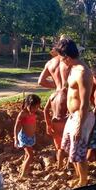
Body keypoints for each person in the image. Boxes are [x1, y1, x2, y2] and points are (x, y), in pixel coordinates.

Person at [57, 39, 95, 187]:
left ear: (67, 56)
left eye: (61, 57)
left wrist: (79, 125)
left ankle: (83, 181)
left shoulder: (84, 73)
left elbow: (85, 103)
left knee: (78, 152)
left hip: (81, 117)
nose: (60, 60)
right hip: (73, 116)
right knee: (69, 147)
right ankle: (79, 175)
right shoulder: (72, 68)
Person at [39, 36, 71, 170]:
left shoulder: (50, 63)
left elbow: (41, 81)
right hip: (67, 96)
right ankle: (69, 163)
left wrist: (56, 88)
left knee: (58, 139)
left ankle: (60, 163)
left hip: (55, 96)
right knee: (70, 136)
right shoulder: (68, 61)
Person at [13, 94, 41, 178]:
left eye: (37, 107)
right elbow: (16, 126)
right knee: (30, 156)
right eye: (34, 107)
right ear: (28, 105)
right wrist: (15, 139)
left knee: (27, 155)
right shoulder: (23, 114)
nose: (36, 109)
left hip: (31, 137)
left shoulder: (32, 112)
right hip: (24, 137)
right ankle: (23, 174)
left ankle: (23, 170)